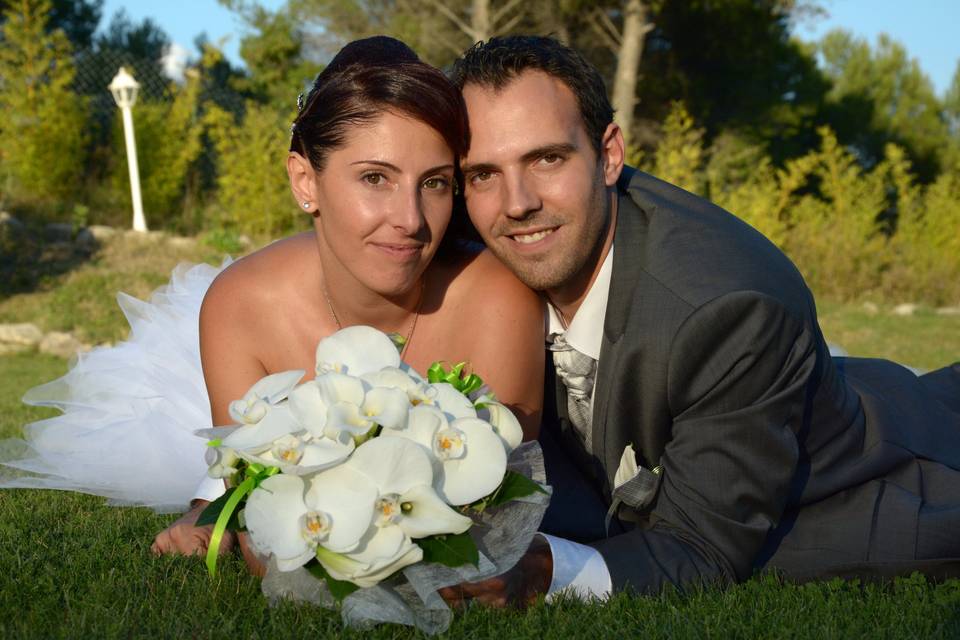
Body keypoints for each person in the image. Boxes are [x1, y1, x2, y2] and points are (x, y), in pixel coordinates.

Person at [439, 35, 960, 607]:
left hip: (859, 487)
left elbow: (697, 549)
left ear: (609, 154)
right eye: (483, 173)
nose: (516, 203)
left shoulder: (728, 305)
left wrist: (542, 568)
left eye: (546, 159)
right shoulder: (478, 237)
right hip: (780, 397)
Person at [1, 37, 545, 561]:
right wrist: (224, 504)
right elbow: (257, 495)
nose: (408, 219)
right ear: (305, 181)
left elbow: (497, 511)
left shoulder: (498, 299)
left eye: (434, 183)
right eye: (375, 177)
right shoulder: (242, 306)